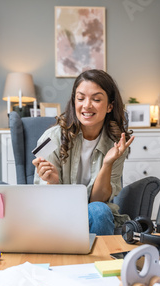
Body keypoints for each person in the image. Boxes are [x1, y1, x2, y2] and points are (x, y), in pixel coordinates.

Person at [32, 69, 134, 235]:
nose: (87, 105)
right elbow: (42, 199)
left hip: (96, 215)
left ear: (110, 106)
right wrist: (53, 182)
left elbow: (98, 201)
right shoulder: (51, 138)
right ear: (74, 102)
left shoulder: (116, 145)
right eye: (80, 98)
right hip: (58, 211)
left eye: (96, 99)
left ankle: (101, 260)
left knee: (99, 210)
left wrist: (108, 164)